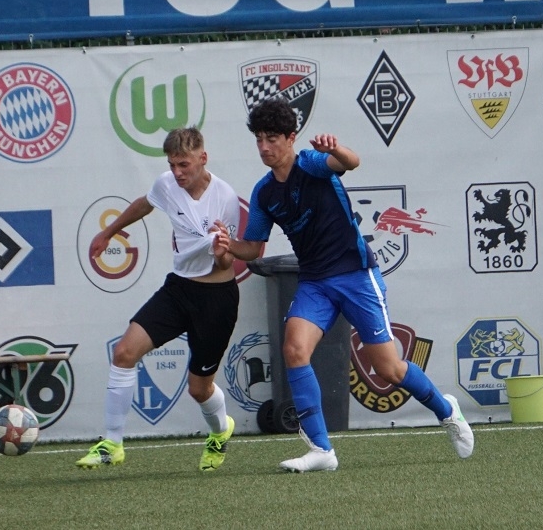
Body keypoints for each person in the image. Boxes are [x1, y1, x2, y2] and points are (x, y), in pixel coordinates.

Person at [213, 97, 474, 472]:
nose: (264, 147)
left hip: (355, 275)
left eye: (272, 138)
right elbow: (253, 248)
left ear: (291, 138)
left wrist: (335, 149)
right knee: (294, 349)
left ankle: (446, 410)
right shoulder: (264, 192)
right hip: (315, 282)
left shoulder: (310, 163)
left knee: (389, 369)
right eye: (259, 139)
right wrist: (228, 245)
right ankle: (321, 450)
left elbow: (351, 162)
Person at [76, 126, 241, 472]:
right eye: (172, 165)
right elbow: (144, 204)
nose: (177, 172)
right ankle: (112, 444)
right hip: (178, 290)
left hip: (216, 299)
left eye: (184, 165)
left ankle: (220, 431)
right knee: (124, 353)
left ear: (202, 158)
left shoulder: (225, 197)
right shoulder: (167, 184)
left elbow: (228, 262)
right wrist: (109, 232)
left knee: (199, 390)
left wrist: (223, 254)